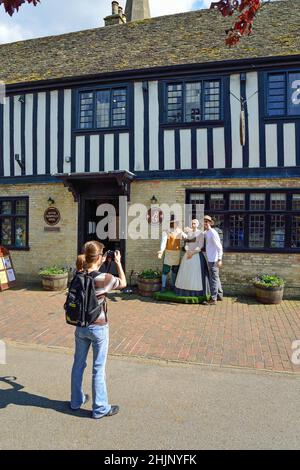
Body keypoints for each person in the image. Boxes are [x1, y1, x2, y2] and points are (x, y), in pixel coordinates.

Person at [70, 241, 127, 419]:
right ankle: (100, 408)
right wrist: (117, 262)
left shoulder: (78, 274)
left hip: (80, 326)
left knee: (78, 364)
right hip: (98, 327)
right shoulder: (104, 278)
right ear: (101, 257)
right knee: (98, 367)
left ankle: (76, 401)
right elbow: (123, 283)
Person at [174, 219, 210, 297]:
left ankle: (196, 292)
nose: (193, 225)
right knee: (185, 273)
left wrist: (192, 253)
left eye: (194, 223)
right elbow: (186, 244)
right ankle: (184, 291)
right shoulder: (189, 233)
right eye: (192, 223)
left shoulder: (200, 233)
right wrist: (187, 251)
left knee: (194, 274)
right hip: (187, 255)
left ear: (197, 224)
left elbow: (200, 246)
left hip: (196, 256)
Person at [158, 215, 187, 292]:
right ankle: (163, 286)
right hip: (168, 253)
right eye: (174, 222)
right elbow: (163, 242)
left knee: (175, 270)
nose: (176, 224)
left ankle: (173, 285)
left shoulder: (179, 231)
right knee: (165, 270)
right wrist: (161, 250)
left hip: (176, 253)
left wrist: (190, 234)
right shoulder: (166, 231)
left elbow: (186, 237)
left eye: (176, 222)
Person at [203, 215, 223, 306]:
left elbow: (219, 247)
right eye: (204, 221)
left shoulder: (213, 233)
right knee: (216, 277)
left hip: (214, 259)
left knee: (214, 279)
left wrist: (219, 259)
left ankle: (213, 299)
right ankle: (219, 294)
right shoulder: (206, 232)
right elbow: (199, 235)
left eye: (207, 221)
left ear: (210, 223)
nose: (205, 223)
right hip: (210, 258)